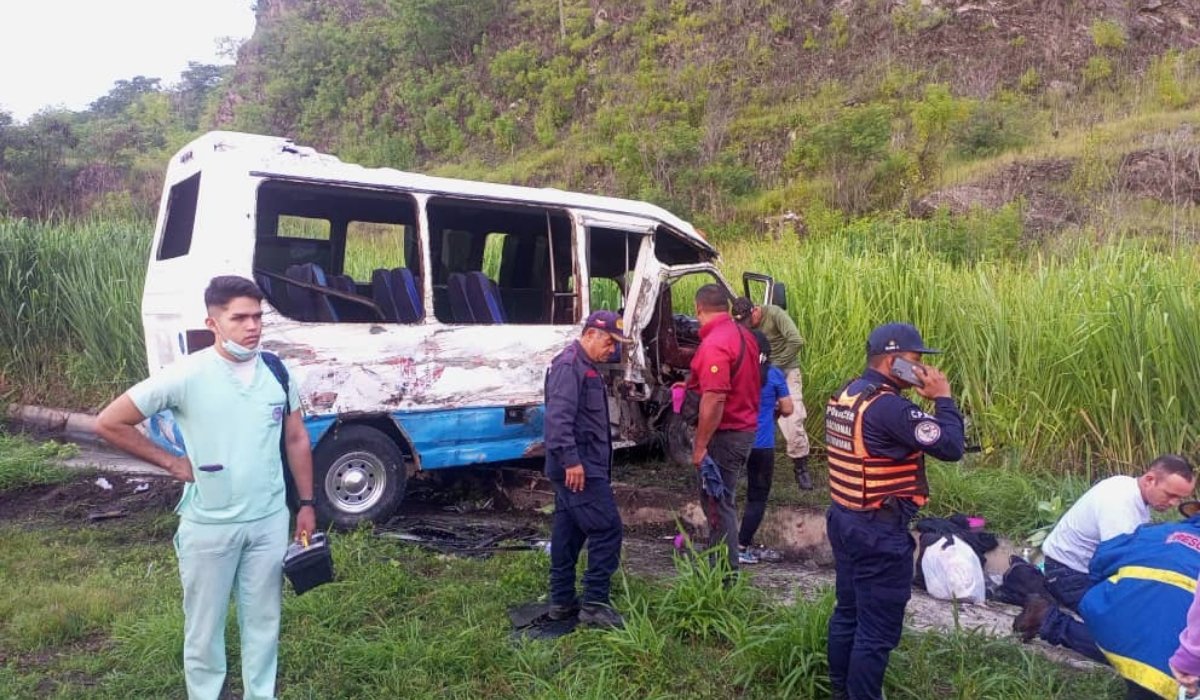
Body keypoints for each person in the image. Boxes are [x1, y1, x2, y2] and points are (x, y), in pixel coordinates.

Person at [95, 276, 315, 700]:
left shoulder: (276, 371)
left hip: (269, 520)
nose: (252, 326)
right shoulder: (187, 375)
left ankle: (260, 694)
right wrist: (172, 462)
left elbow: (296, 439)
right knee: (204, 626)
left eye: (257, 316)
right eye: (239, 318)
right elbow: (110, 421)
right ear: (212, 322)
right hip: (210, 524)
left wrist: (305, 502)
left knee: (264, 621)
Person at [824, 322, 965, 700]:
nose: (923, 370)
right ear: (892, 360)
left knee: (848, 613)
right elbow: (951, 446)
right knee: (875, 633)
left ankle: (841, 692)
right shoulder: (889, 406)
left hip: (845, 517)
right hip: (877, 532)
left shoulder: (849, 392)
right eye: (916, 361)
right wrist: (943, 398)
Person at [1013, 456, 1195, 664]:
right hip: (1071, 575)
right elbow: (1118, 565)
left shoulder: (1130, 490)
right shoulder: (1120, 504)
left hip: (1082, 569)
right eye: (1170, 495)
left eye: (1180, 499)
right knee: (1132, 646)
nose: (1174, 504)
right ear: (1150, 479)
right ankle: (1046, 619)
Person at [543, 310, 630, 628]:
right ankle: (594, 604)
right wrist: (573, 461)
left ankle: (562, 601)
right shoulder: (570, 366)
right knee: (608, 529)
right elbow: (558, 420)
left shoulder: (584, 365)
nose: (612, 350)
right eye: (609, 343)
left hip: (578, 466)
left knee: (569, 533)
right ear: (590, 333)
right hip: (578, 468)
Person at [1073, 511, 1200, 699]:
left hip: (1121, 634)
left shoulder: (1155, 532)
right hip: (1180, 660)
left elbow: (1102, 559)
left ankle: (1050, 622)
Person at [688, 285, 761, 573]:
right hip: (744, 428)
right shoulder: (745, 335)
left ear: (698, 309)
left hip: (725, 435)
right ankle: (719, 566)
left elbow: (716, 397)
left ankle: (723, 576)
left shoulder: (716, 343)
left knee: (718, 503)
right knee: (720, 501)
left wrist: (700, 444)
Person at [732, 296, 813, 491]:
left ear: (755, 311)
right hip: (758, 374)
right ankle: (744, 464)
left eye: (747, 321)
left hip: (785, 372)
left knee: (793, 420)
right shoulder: (743, 326)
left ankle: (801, 468)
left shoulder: (775, 314)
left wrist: (774, 366)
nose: (745, 326)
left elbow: (796, 341)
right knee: (748, 418)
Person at [737, 330, 793, 565]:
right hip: (762, 444)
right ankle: (742, 546)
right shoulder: (774, 375)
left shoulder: (737, 372)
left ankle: (721, 543)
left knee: (725, 495)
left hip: (736, 440)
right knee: (756, 498)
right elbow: (788, 408)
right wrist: (773, 413)